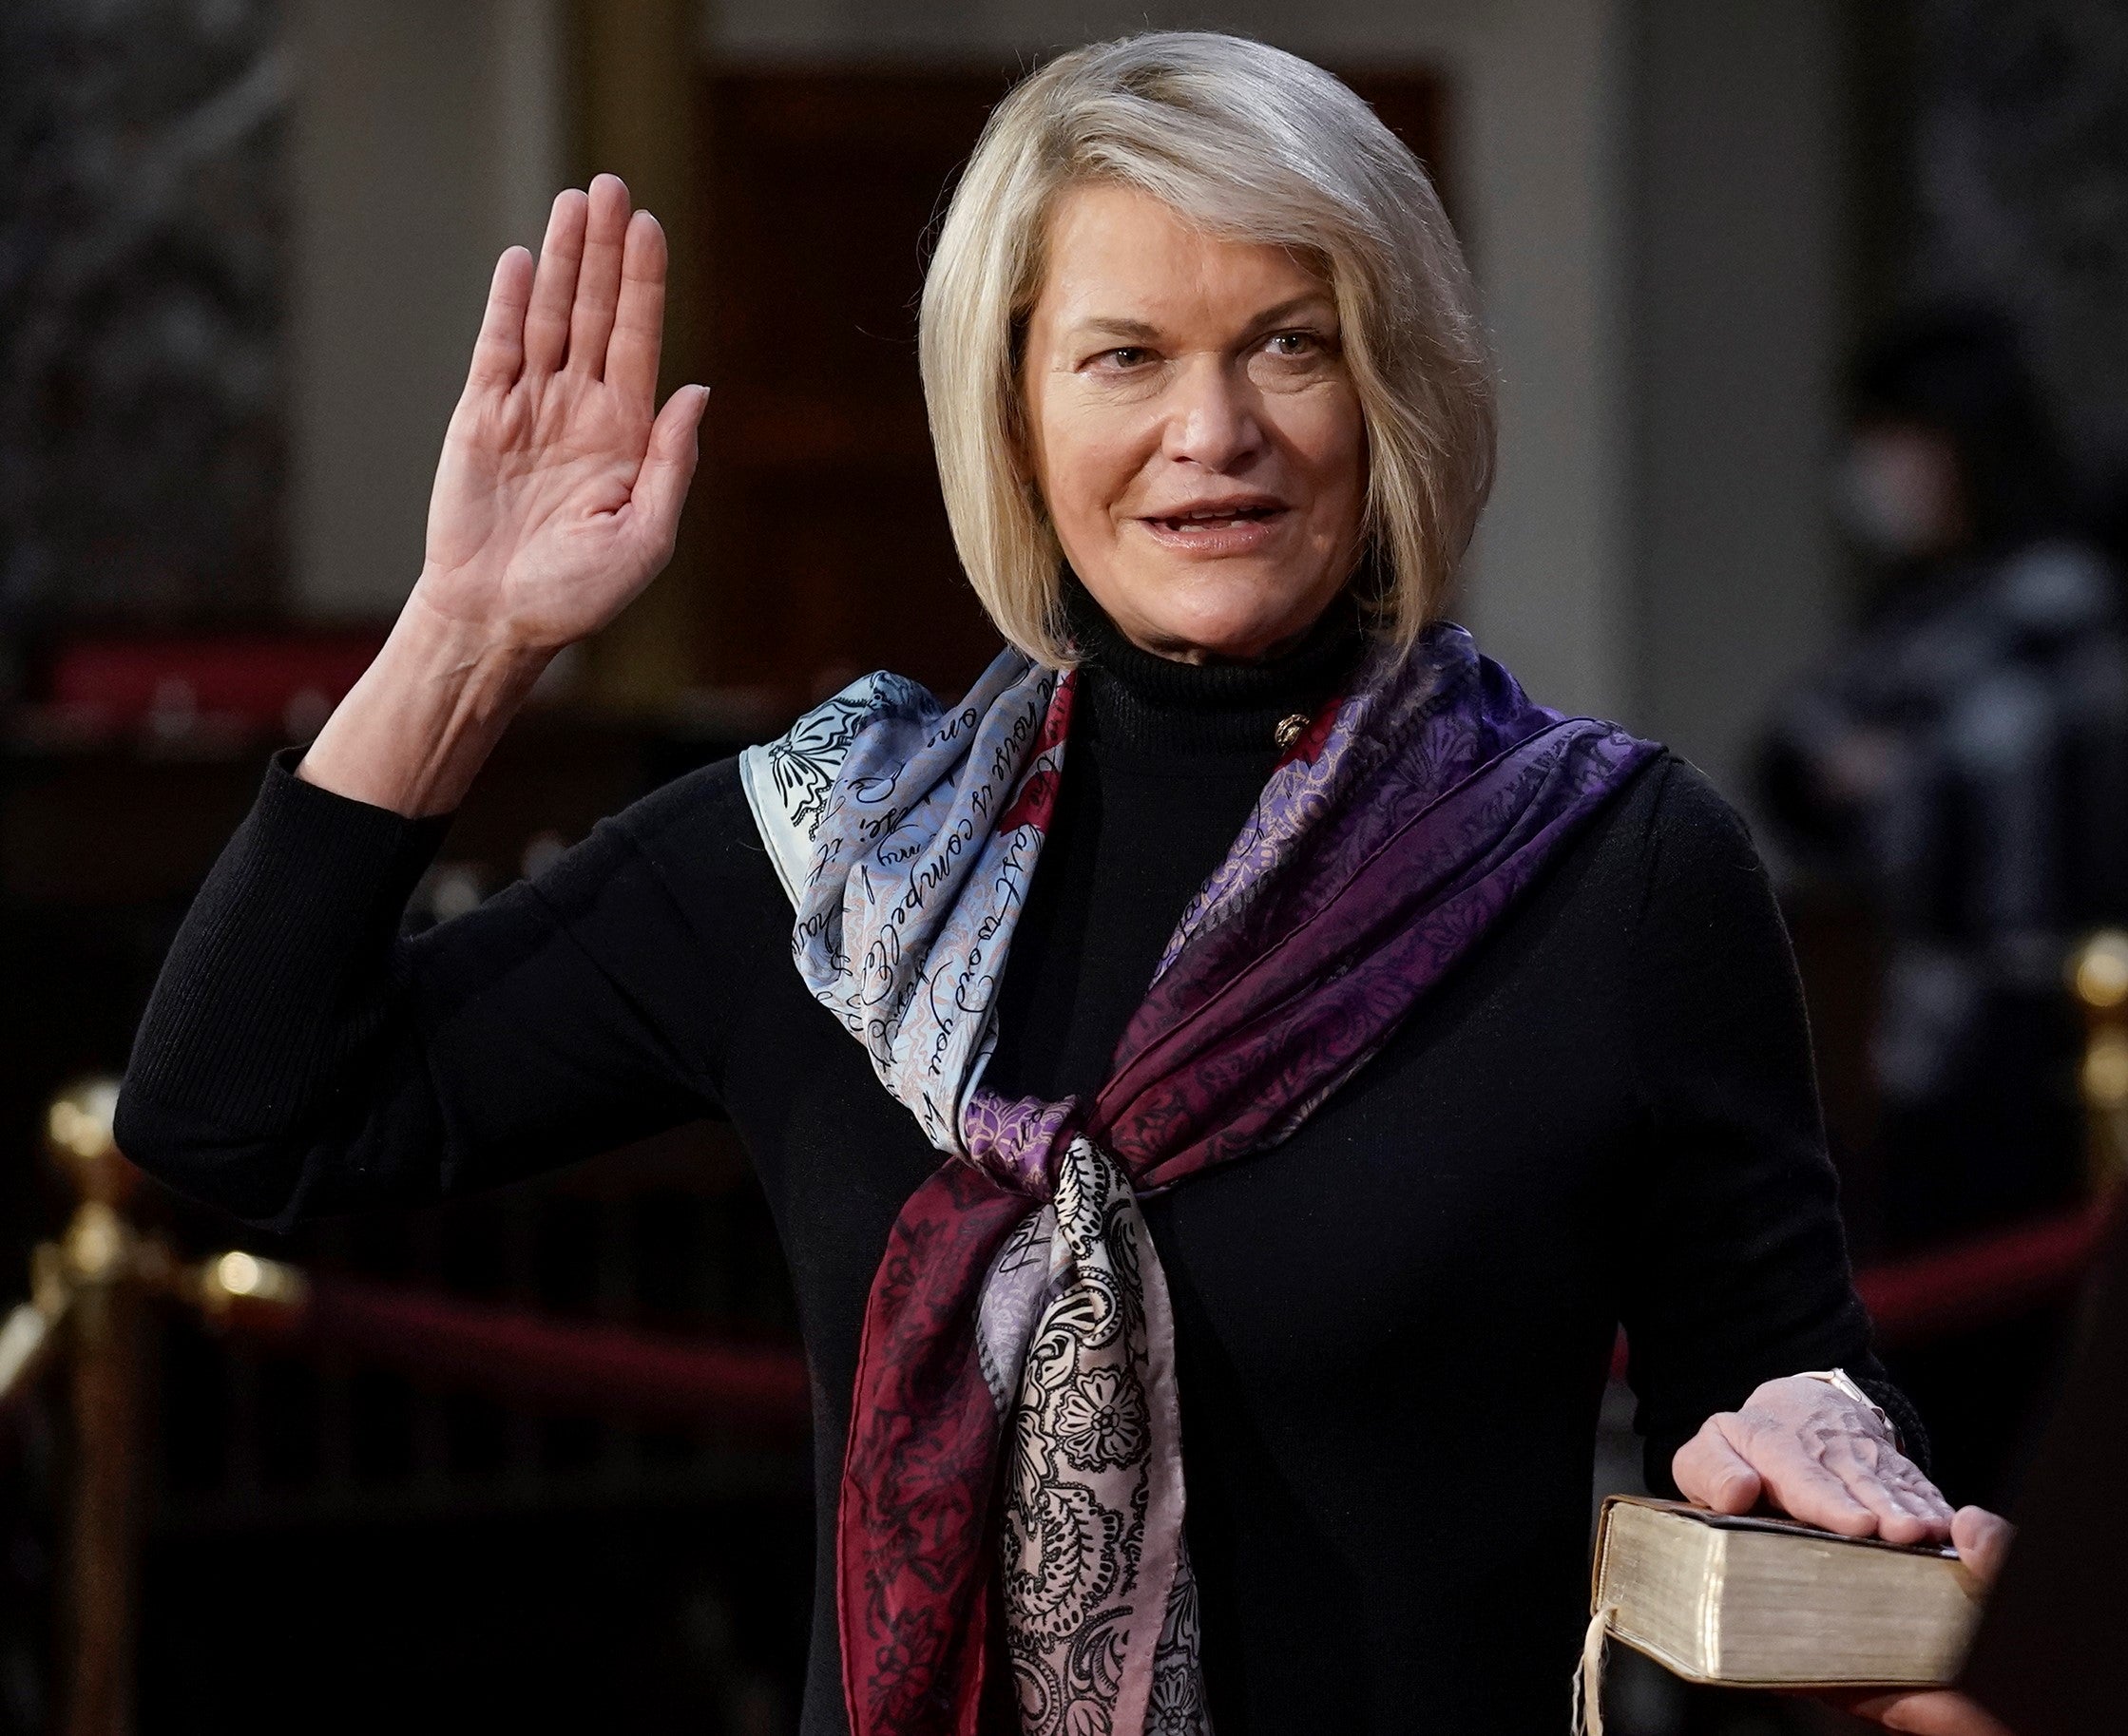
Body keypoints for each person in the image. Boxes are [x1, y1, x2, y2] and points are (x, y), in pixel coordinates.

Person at [115, 34, 2007, 1736]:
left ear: (1397, 386)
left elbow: (1786, 1390)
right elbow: (231, 1116)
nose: (1214, 433)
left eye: (1292, 339)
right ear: (1013, 407)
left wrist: (1801, 1446)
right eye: (1125, 356)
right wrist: (463, 634)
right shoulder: (826, 861)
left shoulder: (1617, 866)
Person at [1758, 307, 2128, 1250]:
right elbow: (1790, 767)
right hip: (1914, 1038)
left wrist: (1893, 773)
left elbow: (1969, 815)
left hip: (2036, 1043)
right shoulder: (1914, 611)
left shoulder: (2062, 602)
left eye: (1890, 439)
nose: (1870, 470)